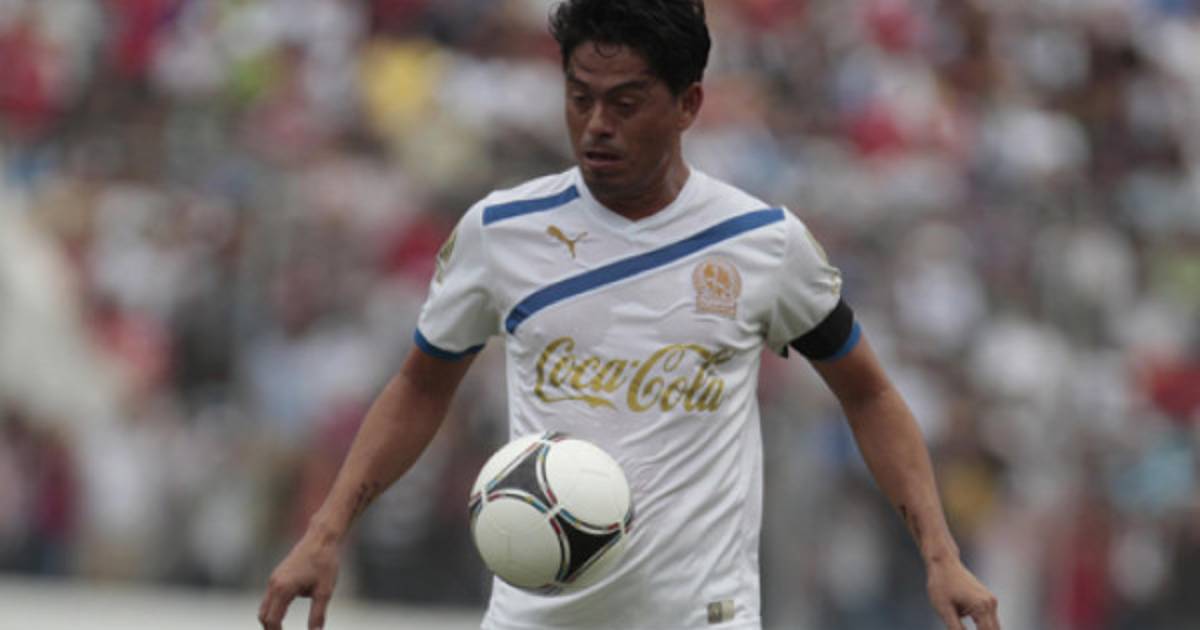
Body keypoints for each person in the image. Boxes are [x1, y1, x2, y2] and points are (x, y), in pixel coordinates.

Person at [258, 1, 1001, 629]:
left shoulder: (763, 245)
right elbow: (421, 385)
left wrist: (941, 554)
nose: (596, 125)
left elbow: (868, 393)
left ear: (688, 105)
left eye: (625, 102)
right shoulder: (501, 231)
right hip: (534, 619)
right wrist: (326, 530)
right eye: (579, 97)